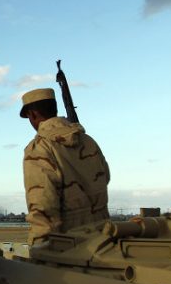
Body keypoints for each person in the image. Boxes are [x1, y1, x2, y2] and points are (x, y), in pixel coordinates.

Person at [19, 88, 110, 245]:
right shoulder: (89, 141)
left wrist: (40, 246)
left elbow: (43, 204)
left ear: (33, 114)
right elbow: (105, 177)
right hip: (103, 237)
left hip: (69, 244)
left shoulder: (40, 148)